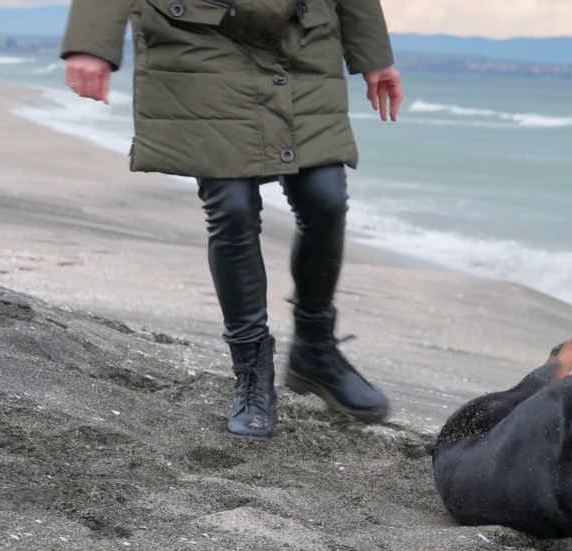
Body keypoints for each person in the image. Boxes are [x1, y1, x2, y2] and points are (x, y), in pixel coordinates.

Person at [60, 0, 402, 438]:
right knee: (234, 207)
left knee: (326, 199)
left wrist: (374, 55)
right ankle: (253, 375)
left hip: (301, 40)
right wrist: (90, 44)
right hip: (197, 38)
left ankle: (315, 351)